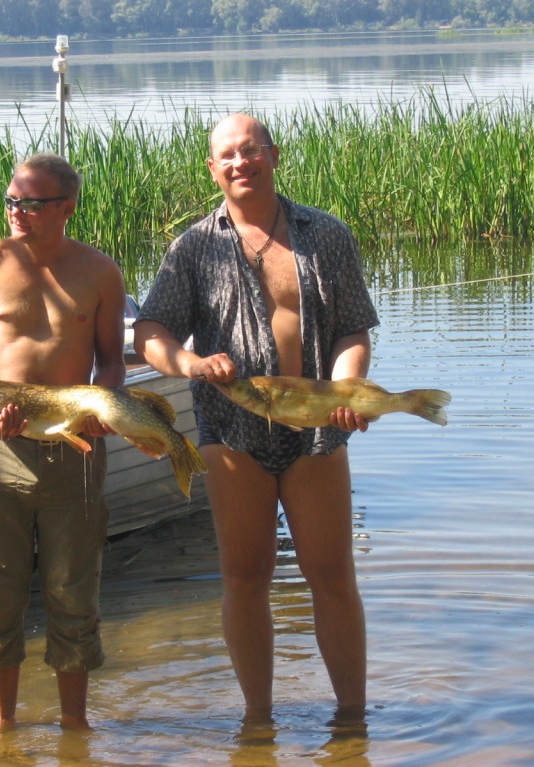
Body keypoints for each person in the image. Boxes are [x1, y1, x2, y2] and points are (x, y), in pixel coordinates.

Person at [133, 114, 379, 724]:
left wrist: (347, 388)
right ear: (212, 170)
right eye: (228, 156)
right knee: (245, 579)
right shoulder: (194, 247)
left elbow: (353, 328)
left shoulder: (325, 234)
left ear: (273, 155)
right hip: (231, 432)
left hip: (318, 429)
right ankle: (258, 721)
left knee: (332, 576)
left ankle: (353, 722)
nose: (240, 162)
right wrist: (190, 363)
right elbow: (150, 332)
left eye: (251, 150)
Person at [0, 152, 128, 739]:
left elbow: (112, 362)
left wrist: (102, 405)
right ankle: (2, 725)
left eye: (31, 203)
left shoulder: (99, 271)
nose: (16, 211)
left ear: (66, 207)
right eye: (11, 201)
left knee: (73, 590)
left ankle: (75, 724)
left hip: (74, 450)